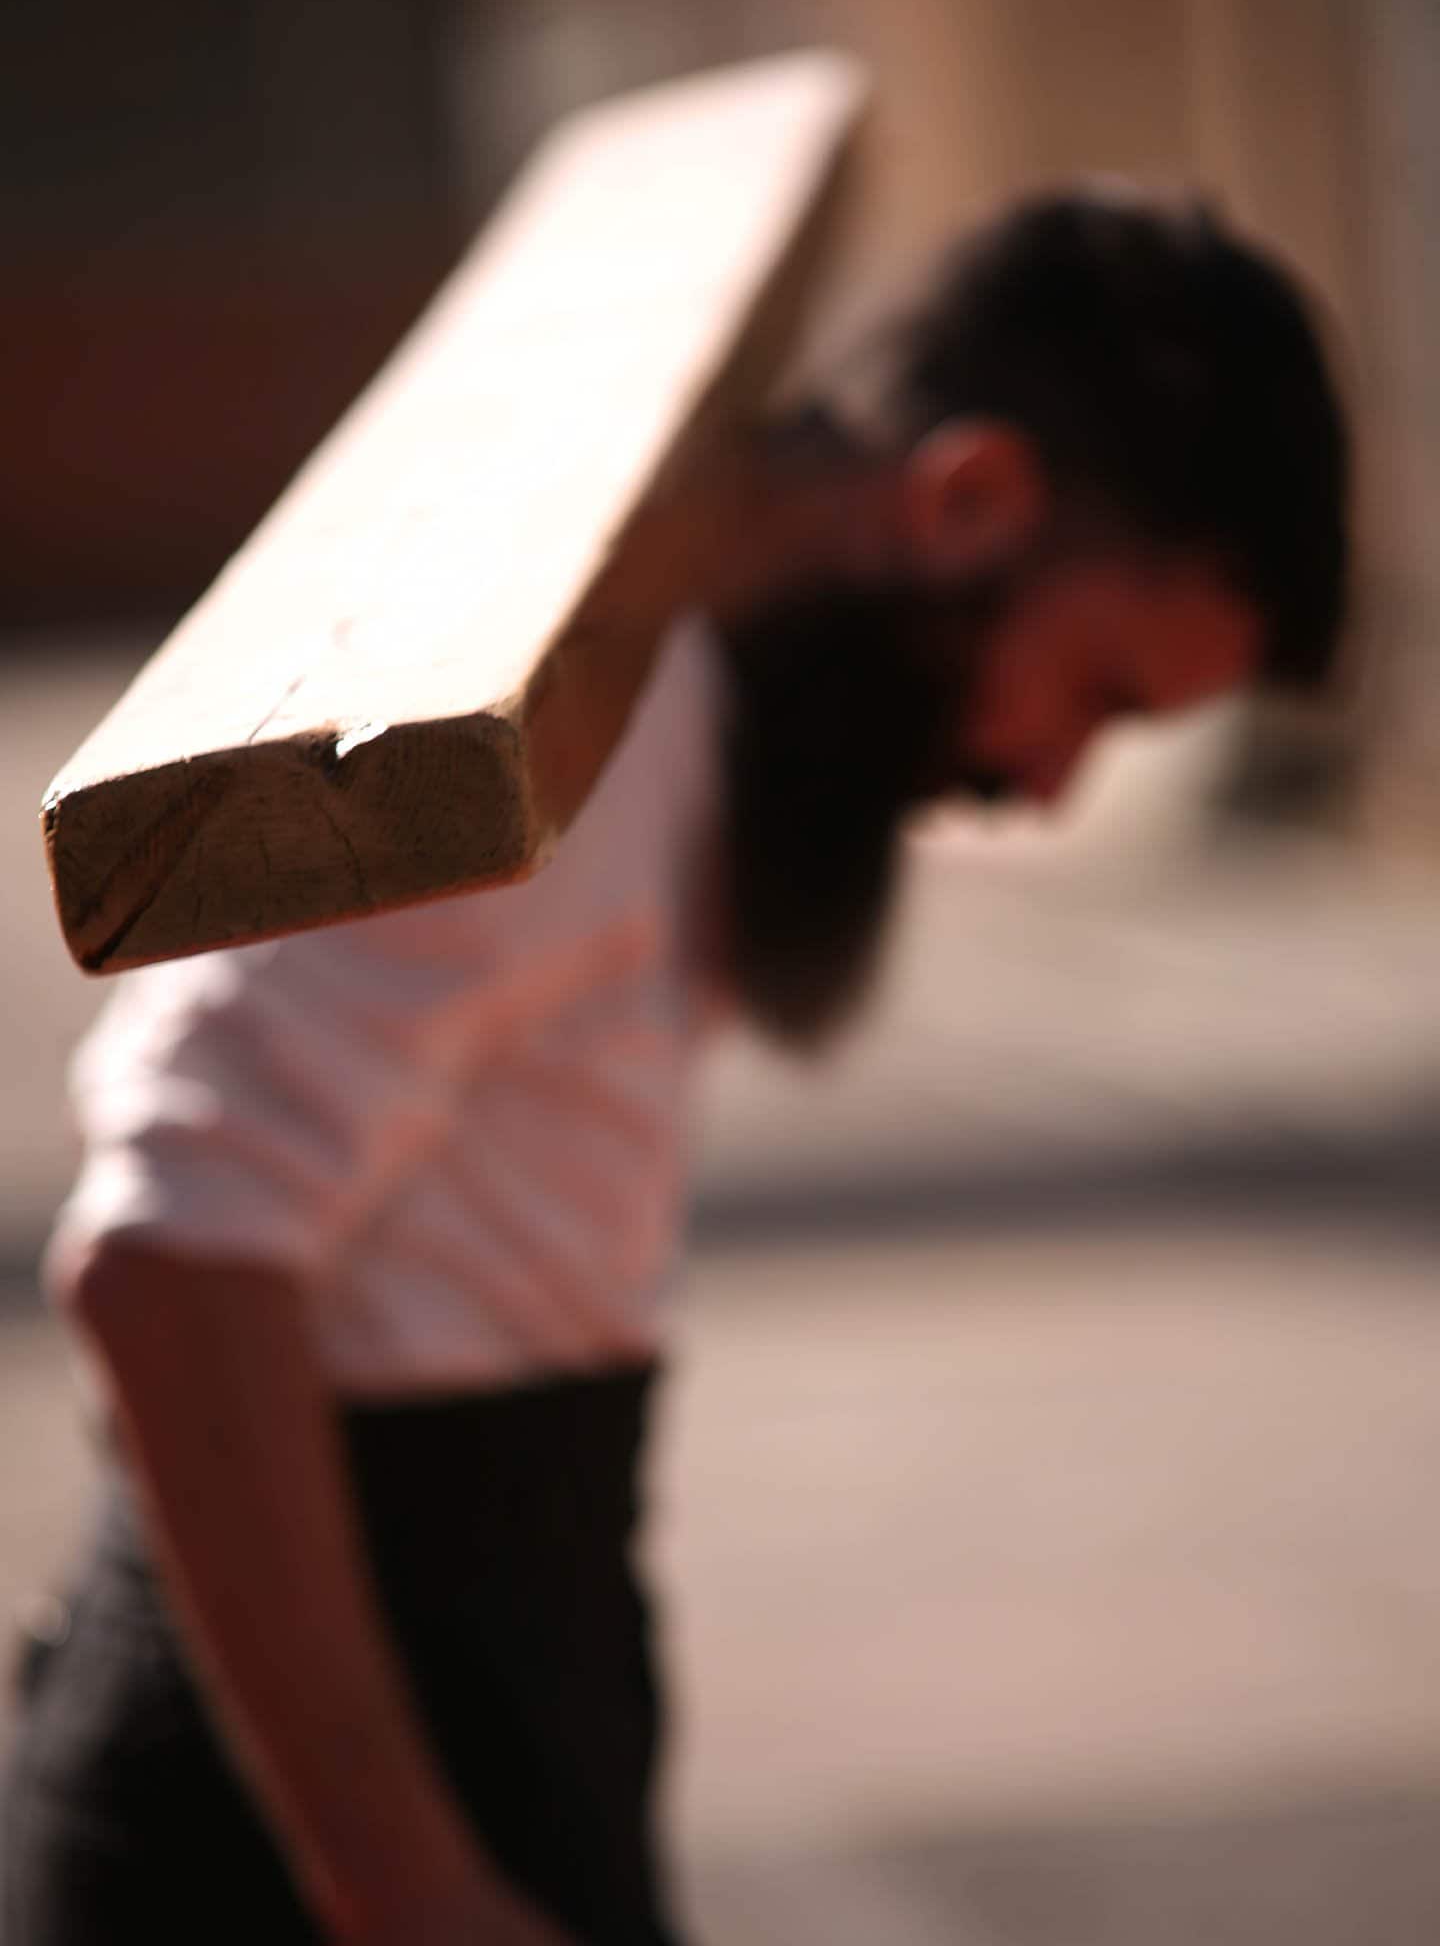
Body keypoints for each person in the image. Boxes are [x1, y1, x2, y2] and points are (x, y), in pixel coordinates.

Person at [3, 187, 1348, 1945]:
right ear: (970, 503)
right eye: (1091, 693)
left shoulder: (691, 714)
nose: (1051, 788)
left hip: (487, 1699)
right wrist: (404, 1882)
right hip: (275, 1847)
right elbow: (173, 1265)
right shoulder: (538, 749)